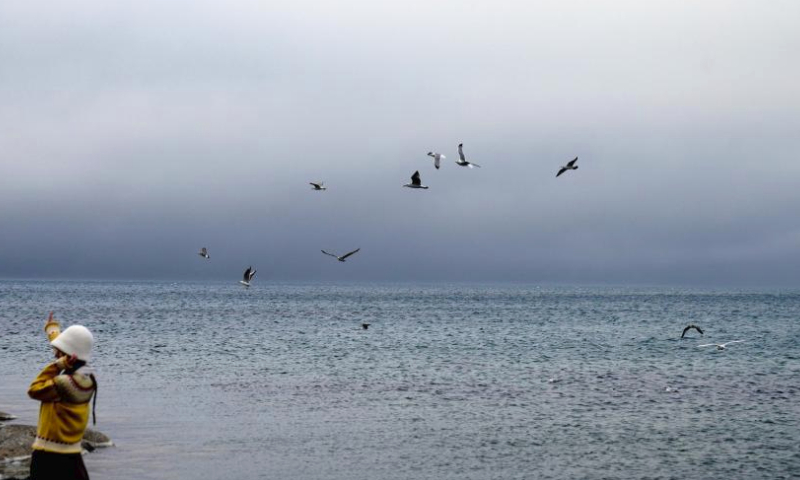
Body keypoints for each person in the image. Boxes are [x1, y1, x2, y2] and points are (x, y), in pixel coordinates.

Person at [27, 312, 97, 480]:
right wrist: (53, 331)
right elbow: (70, 348)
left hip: (50, 456)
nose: (55, 354)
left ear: (67, 355)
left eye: (58, 352)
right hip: (72, 453)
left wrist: (57, 366)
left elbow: (34, 390)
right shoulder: (86, 376)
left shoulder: (66, 384)